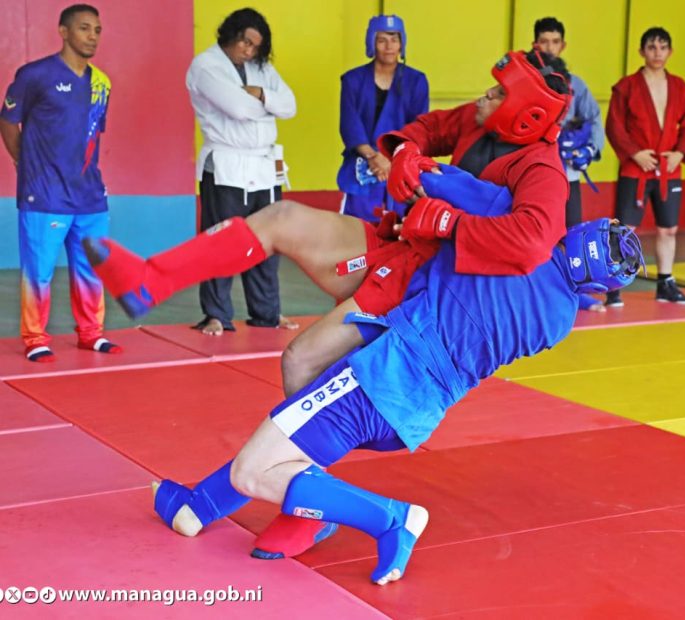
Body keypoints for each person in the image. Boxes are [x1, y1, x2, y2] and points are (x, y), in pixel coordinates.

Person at [148, 173, 644, 585]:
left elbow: (435, 182)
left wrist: (413, 170)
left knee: (254, 469)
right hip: (414, 414)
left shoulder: (505, 228)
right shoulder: (559, 320)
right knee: (287, 453)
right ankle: (197, 507)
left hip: (377, 379)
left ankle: (391, 519)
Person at [85, 49, 573, 399]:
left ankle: (300, 478)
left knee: (300, 361)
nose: (485, 95)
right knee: (281, 217)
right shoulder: (479, 119)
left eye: (498, 92)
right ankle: (150, 280)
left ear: (523, 114)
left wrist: (447, 221)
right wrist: (405, 153)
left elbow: (531, 242)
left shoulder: (543, 171)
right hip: (404, 247)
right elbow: (427, 128)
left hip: (437, 287)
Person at [0, 4, 122, 363]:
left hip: (90, 195)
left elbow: (90, 137)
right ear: (63, 32)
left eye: (97, 30)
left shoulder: (102, 83)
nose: (92, 36)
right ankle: (35, 337)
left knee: (91, 269)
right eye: (84, 28)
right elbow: (8, 122)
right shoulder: (34, 75)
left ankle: (91, 333)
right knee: (38, 272)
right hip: (45, 194)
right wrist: (25, 162)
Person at [187, 8, 298, 337]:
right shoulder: (206, 66)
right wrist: (267, 106)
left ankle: (267, 313)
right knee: (221, 242)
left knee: (267, 243)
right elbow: (237, 108)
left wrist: (261, 94)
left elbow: (290, 106)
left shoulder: (261, 68)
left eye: (256, 46)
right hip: (226, 165)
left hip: (264, 166)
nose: (249, 51)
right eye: (245, 42)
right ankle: (216, 315)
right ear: (230, 34)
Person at [605, 26, 685, 308]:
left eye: (662, 47)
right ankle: (614, 285)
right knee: (625, 229)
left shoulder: (680, 87)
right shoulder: (626, 86)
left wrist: (680, 153)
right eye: (652, 47)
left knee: (668, 229)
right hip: (636, 168)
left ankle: (666, 283)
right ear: (641, 51)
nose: (657, 53)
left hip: (669, 168)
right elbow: (615, 126)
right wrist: (634, 153)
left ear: (670, 52)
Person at [533, 16, 606, 312]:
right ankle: (535, 293)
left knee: (572, 233)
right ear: (535, 45)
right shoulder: (526, 78)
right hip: (534, 172)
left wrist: (590, 148)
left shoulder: (576, 85)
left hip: (568, 172)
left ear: (562, 45)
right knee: (536, 232)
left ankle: (576, 292)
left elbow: (594, 118)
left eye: (554, 42)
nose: (549, 47)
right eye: (544, 41)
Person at [337, 14, 429, 222]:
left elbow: (419, 127)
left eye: (394, 40)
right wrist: (373, 156)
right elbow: (350, 124)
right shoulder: (353, 80)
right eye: (382, 40)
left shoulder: (416, 81)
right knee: (356, 227)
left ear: (402, 44)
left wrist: (391, 159)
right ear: (372, 43)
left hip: (401, 163)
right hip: (362, 164)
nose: (389, 47)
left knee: (400, 225)